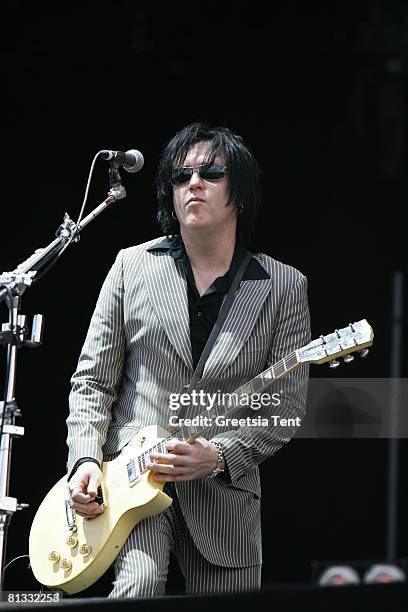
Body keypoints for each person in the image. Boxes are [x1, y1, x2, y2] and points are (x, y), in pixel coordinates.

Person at [66, 122, 311, 598]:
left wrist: (219, 455)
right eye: (181, 177)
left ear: (238, 193)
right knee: (135, 589)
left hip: (224, 499)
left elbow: (286, 408)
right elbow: (92, 381)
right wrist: (84, 461)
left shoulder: (284, 285)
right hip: (129, 484)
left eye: (211, 172)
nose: (193, 183)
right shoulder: (130, 266)